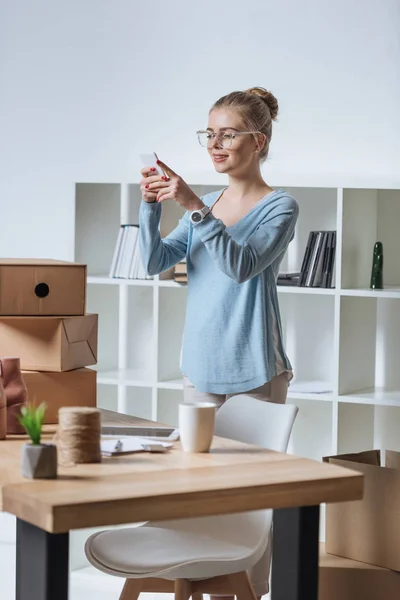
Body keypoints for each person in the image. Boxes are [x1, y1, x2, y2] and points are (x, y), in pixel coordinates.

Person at [139, 87, 299, 598]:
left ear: (259, 140)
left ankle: (251, 590)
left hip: (254, 368)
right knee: (200, 494)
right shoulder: (207, 203)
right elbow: (154, 262)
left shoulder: (280, 207)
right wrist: (149, 209)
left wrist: (192, 207)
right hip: (201, 369)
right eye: (210, 133)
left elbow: (241, 266)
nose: (215, 143)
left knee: (248, 499)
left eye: (227, 133)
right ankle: (198, 585)